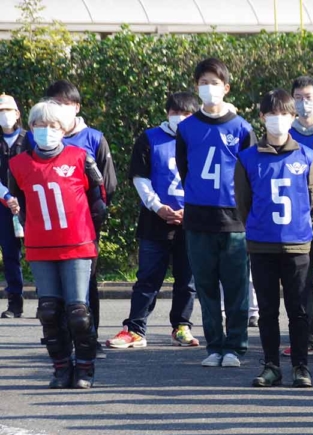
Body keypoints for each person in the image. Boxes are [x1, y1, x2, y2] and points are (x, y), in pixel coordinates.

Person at [7, 99, 106, 388]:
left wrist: (89, 235)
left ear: (63, 129)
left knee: (78, 312)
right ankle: (61, 368)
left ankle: (85, 368)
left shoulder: (81, 158)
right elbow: (21, 204)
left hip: (77, 244)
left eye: (53, 125)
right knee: (49, 311)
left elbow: (98, 204)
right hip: (40, 246)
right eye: (40, 124)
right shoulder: (18, 164)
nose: (46, 130)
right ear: (31, 127)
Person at [235, 89, 313, 388]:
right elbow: (243, 203)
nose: (278, 119)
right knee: (267, 311)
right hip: (261, 245)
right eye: (272, 114)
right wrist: (259, 228)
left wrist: (298, 225)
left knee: (299, 310)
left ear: (293, 117)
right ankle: (271, 365)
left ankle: (302, 367)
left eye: (284, 114)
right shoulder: (247, 158)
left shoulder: (307, 156)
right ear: (262, 117)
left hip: (297, 244)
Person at [176, 57, 256, 368]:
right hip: (198, 217)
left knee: (236, 286)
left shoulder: (242, 128)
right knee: (206, 285)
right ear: (196, 88)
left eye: (214, 83)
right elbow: (185, 169)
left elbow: (250, 173)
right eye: (203, 83)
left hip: (233, 218)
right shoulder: (186, 128)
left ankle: (235, 346)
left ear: (226, 88)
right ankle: (215, 345)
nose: (208, 89)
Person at [106, 93, 200, 350]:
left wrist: (189, 211)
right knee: (147, 279)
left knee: (187, 280)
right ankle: (135, 329)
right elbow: (140, 177)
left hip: (190, 221)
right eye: (175, 112)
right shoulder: (149, 138)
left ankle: (182, 326)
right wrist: (157, 207)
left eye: (187, 114)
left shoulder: (201, 140)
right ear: (167, 112)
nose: (180, 118)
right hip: (154, 222)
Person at [42, 80, 117, 358]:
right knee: (52, 286)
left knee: (85, 282)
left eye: (64, 104)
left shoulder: (94, 138)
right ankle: (60, 338)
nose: (58, 109)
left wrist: (91, 213)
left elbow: (107, 185)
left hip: (83, 224)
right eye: (53, 103)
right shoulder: (40, 138)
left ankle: (89, 338)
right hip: (49, 224)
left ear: (76, 107)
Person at [284, 75, 313, 357]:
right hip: (296, 219)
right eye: (298, 98)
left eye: (308, 97)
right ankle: (307, 338)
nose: (304, 103)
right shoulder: (286, 131)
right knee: (300, 282)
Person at [0, 94, 28, 318]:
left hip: (30, 202)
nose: (4, 115)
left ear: (17, 113)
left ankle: (47, 301)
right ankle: (15, 302)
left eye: (7, 110)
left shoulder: (31, 139)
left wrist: (20, 197)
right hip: (3, 203)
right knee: (10, 253)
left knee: (39, 252)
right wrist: (8, 196)